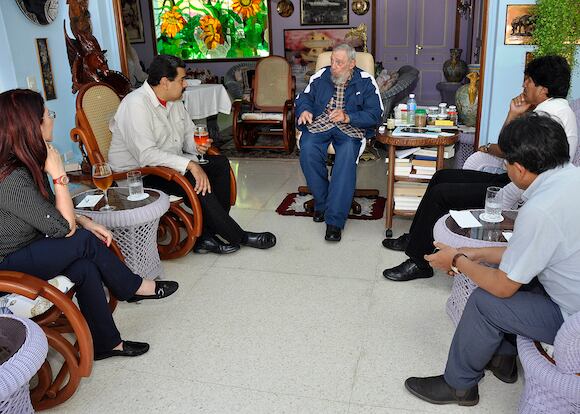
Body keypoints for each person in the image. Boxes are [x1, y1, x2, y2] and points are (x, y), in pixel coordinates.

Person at [403, 113, 580, 406]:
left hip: (572, 319)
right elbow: (532, 252)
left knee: (485, 302)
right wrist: (474, 254)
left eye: (507, 161)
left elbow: (503, 287)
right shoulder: (571, 178)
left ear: (519, 169)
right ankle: (503, 359)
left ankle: (458, 385)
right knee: (507, 272)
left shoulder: (539, 210)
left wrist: (458, 261)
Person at [0, 89, 179, 360]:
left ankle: (107, 344)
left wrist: (83, 219)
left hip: (30, 248)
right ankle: (132, 287)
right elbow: (63, 229)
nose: (52, 119)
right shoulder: (12, 177)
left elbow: (47, 213)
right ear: (30, 125)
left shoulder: (24, 164)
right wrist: (60, 177)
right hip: (8, 264)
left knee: (83, 267)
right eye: (48, 115)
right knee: (83, 241)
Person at [382, 55, 578, 281]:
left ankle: (419, 261)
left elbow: (506, 149)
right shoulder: (554, 109)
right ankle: (417, 238)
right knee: (442, 176)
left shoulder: (547, 116)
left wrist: (513, 115)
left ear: (543, 89)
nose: (524, 85)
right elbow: (509, 149)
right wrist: (514, 114)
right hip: (516, 179)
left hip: (517, 189)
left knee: (441, 194)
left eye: (529, 81)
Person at [108, 54, 276, 254]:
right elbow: (146, 155)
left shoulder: (173, 99)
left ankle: (207, 234)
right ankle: (237, 235)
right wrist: (190, 165)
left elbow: (188, 134)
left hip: (166, 165)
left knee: (219, 163)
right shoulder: (135, 105)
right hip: (139, 176)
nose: (186, 84)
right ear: (164, 82)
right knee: (193, 178)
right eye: (181, 80)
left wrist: (197, 146)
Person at [296, 44, 383, 242]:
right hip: (320, 123)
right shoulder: (321, 76)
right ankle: (322, 204)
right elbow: (304, 97)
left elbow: (375, 114)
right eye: (332, 61)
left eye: (339, 62)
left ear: (352, 64)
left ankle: (334, 221)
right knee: (307, 150)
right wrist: (304, 110)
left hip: (350, 127)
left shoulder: (366, 81)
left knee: (345, 161)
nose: (333, 66)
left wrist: (348, 116)